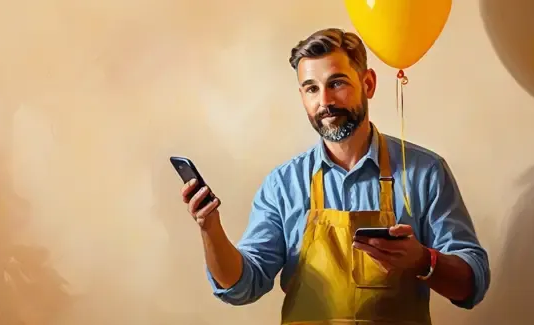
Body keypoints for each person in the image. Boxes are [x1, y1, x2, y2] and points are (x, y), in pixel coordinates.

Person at [181, 28, 490, 324]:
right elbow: (242, 286)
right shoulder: (283, 185)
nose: (325, 101)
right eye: (312, 88)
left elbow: (471, 284)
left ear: (368, 84)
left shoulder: (425, 173)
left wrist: (424, 261)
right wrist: (210, 228)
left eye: (337, 83)